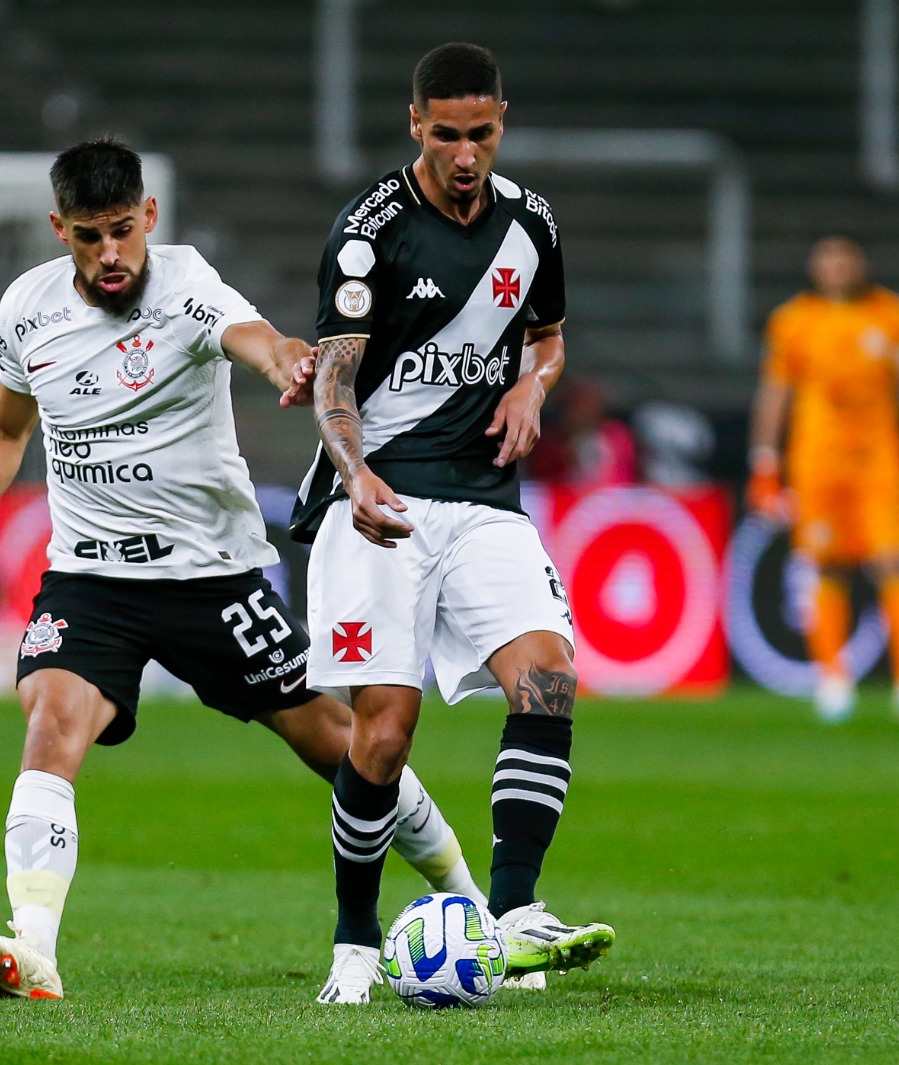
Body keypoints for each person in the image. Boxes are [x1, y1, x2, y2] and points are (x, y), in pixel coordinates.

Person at [0, 138, 484, 1001]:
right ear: (58, 229)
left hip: (213, 575)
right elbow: (5, 429)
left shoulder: (183, 283)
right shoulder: (25, 311)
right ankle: (34, 948)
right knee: (51, 723)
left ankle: (469, 901)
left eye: (122, 232)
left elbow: (247, 334)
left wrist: (288, 356)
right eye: (89, 237)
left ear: (149, 216)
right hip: (91, 578)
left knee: (338, 743)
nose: (110, 255)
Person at [291, 43, 615, 1005]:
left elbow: (549, 338)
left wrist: (532, 383)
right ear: (414, 124)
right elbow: (336, 377)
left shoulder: (534, 223)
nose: (465, 154)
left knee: (549, 677)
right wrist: (352, 470)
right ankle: (354, 937)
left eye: (481, 133)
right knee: (384, 733)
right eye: (446, 135)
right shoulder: (369, 232)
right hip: (381, 501)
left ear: (501, 120)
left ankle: (514, 917)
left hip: (481, 500)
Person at [747, 234, 899, 722]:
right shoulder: (793, 321)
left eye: (846, 258)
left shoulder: (894, 315)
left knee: (895, 559)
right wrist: (764, 462)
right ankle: (833, 680)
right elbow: (776, 394)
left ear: (861, 263)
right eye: (828, 259)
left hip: (879, 460)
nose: (838, 267)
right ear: (815, 267)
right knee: (827, 564)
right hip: (817, 462)